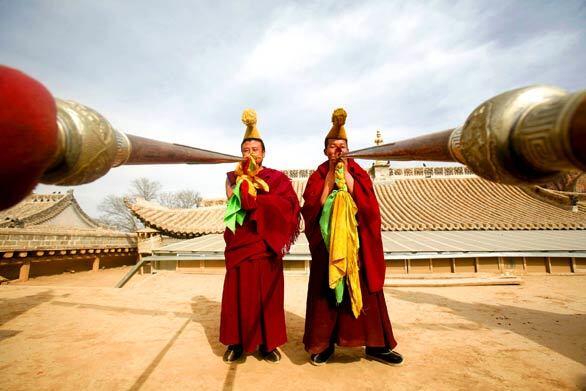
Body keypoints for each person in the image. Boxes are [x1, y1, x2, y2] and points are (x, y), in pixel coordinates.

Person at [301, 108, 403, 366]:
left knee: (366, 292)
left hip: (356, 244)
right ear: (325, 151)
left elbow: (370, 207)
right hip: (329, 244)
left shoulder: (358, 172)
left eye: (343, 145)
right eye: (333, 146)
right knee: (327, 294)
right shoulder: (317, 175)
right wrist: (329, 179)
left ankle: (377, 345)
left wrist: (345, 174)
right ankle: (323, 345)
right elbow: (312, 208)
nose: (338, 150)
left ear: (349, 149)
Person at [220, 109, 301, 363]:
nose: (250, 153)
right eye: (246, 150)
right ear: (241, 154)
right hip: (242, 244)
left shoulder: (276, 178)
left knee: (268, 296)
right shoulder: (232, 178)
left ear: (263, 153)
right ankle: (236, 342)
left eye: (255, 149)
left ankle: (268, 344)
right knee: (237, 294)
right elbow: (234, 202)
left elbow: (290, 205)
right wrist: (244, 189)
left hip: (266, 244)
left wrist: (257, 201)